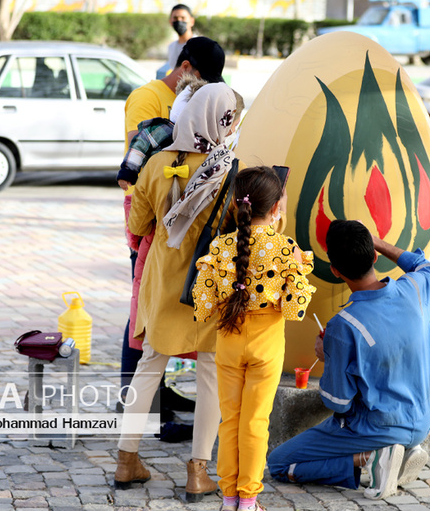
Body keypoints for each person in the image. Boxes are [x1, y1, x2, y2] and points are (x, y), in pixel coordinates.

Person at [114, 82, 243, 501]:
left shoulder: (155, 164)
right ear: (223, 121)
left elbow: (136, 227)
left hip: (161, 281)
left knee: (149, 365)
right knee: (208, 373)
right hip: (206, 285)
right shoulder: (228, 171)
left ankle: (126, 460)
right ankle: (198, 472)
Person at [267, 220, 430, 501]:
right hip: (422, 420)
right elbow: (424, 265)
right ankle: (400, 449)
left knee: (279, 462)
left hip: (377, 426)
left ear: (335, 271)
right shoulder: (415, 289)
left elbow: (338, 402)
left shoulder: (343, 325)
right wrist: (381, 242)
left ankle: (368, 457)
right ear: (374, 255)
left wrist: (329, 357)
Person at [193, 166, 317, 511]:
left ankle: (228, 498)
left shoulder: (219, 248)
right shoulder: (285, 248)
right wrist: (296, 270)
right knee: (255, 422)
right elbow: (295, 310)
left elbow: (202, 307)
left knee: (229, 420)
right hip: (267, 345)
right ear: (276, 207)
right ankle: (248, 501)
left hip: (229, 342)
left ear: (235, 205)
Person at [117, 37, 225, 422]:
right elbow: (138, 165)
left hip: (185, 225)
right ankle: (136, 399)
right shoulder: (147, 99)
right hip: (152, 222)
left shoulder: (201, 99)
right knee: (145, 310)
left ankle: (157, 395)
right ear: (185, 67)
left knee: (167, 312)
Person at [167, 4, 196, 69]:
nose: (179, 21)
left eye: (183, 18)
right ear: (170, 22)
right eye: (175, 18)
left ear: (192, 21)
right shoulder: (171, 47)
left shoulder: (200, 45)